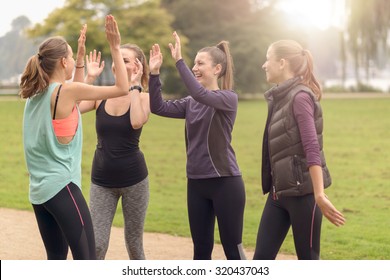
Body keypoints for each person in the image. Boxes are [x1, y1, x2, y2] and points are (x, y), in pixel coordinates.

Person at [20, 15, 128, 260]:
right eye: (70, 56)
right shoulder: (66, 92)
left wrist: (78, 59)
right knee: (87, 260)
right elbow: (122, 88)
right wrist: (115, 47)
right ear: (62, 62)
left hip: (40, 193)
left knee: (57, 259)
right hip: (62, 187)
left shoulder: (35, 95)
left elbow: (72, 101)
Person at [148, 32, 246, 260]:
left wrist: (179, 61)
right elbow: (158, 107)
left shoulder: (227, 98)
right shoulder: (191, 103)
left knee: (233, 250)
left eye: (200, 63)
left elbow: (200, 93)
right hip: (196, 184)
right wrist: (154, 74)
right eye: (194, 63)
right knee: (200, 252)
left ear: (217, 69)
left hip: (225, 183)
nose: (195, 67)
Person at [253, 40, 346, 260]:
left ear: (282, 63)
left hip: (304, 197)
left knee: (308, 261)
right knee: (260, 261)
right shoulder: (280, 97)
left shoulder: (300, 97)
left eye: (268, 58)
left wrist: (319, 195)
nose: (264, 65)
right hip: (279, 194)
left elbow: (311, 147)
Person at [78, 43, 150, 260]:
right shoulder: (101, 94)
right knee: (97, 245)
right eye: (116, 57)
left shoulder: (145, 98)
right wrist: (89, 79)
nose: (118, 62)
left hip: (134, 180)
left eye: (125, 59)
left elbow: (137, 121)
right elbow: (72, 109)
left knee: (134, 245)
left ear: (137, 66)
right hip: (101, 181)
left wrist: (136, 86)